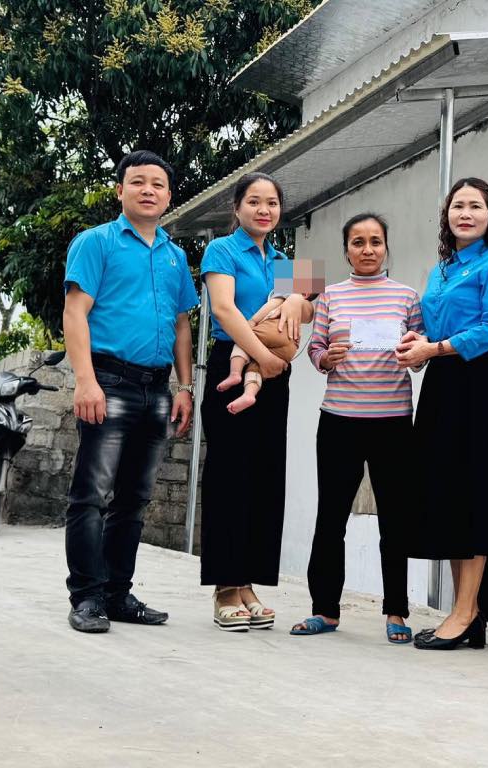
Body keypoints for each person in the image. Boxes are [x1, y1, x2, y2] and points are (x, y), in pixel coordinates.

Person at [61, 149, 199, 633]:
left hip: (157, 388)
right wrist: (85, 380)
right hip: (109, 381)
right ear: (119, 190)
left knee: (135, 499)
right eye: (137, 182)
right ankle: (87, 597)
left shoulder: (175, 256)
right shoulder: (96, 242)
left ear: (168, 196)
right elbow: (75, 312)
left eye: (157, 184)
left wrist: (185, 386)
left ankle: (118, 592)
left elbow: (182, 323)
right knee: (92, 495)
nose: (148, 190)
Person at [395, 177, 488, 651]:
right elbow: (430, 323)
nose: (465, 214)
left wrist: (436, 347)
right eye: (457, 206)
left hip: (481, 387)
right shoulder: (441, 269)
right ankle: (464, 611)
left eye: (476, 206)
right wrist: (418, 345)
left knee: (475, 495)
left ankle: (467, 610)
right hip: (443, 385)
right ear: (446, 215)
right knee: (447, 496)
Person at [290, 213, 423, 644]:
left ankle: (396, 612)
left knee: (396, 521)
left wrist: (413, 355)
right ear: (346, 249)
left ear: (387, 248)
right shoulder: (330, 296)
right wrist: (324, 359)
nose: (368, 250)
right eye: (359, 242)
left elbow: (420, 352)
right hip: (340, 421)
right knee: (330, 518)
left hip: (393, 422)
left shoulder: (407, 297)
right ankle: (324, 610)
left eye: (376, 242)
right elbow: (315, 346)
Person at [200, 172, 314, 631]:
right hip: (234, 365)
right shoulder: (221, 250)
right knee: (230, 476)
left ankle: (249, 583)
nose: (263, 210)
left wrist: (294, 304)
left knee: (266, 477)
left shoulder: (289, 259)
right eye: (253, 201)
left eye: (271, 203)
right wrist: (263, 356)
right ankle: (225, 587)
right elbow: (224, 310)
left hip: (277, 375)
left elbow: (313, 305)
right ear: (237, 207)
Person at [216, 261, 322, 414]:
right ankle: (249, 394)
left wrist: (252, 322)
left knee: (243, 339)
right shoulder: (223, 250)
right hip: (289, 347)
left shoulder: (283, 263)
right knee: (256, 368)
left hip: (273, 331)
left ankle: (235, 373)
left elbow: (303, 311)